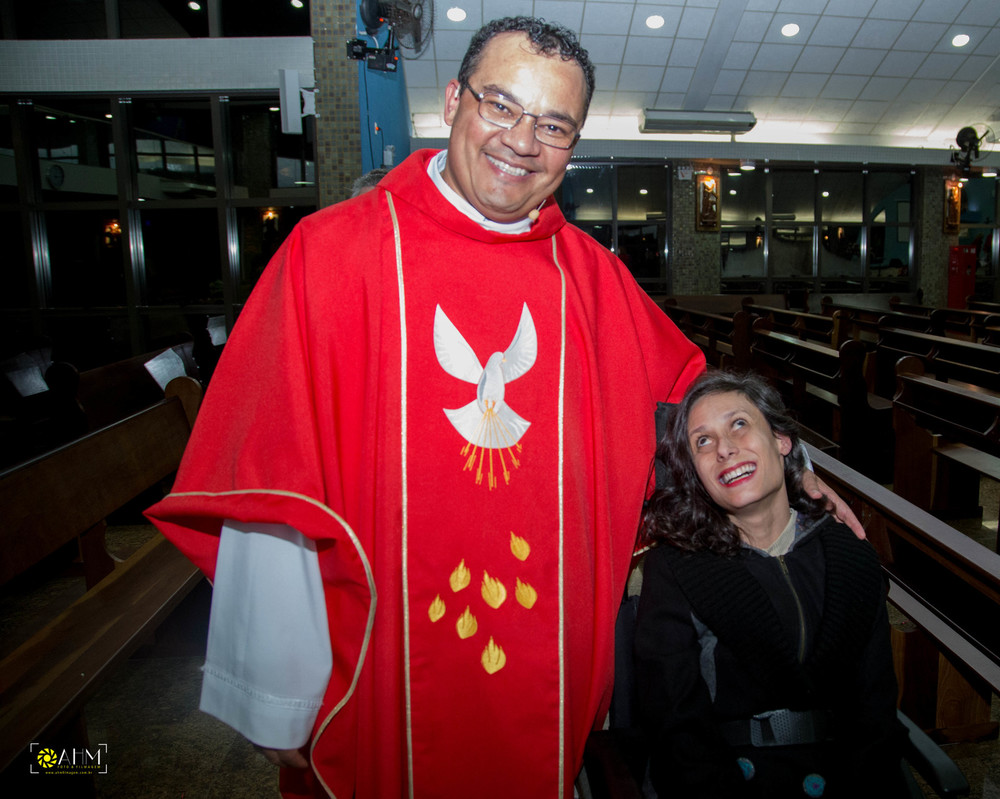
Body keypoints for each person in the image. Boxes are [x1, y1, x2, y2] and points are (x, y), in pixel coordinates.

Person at [147, 16, 860, 799]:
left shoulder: (590, 279)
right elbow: (272, 479)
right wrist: (274, 687)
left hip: (544, 669)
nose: (523, 141)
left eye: (554, 125)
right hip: (380, 667)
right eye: (502, 105)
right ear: (454, 101)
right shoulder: (334, 254)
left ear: (572, 145)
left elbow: (692, 398)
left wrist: (796, 474)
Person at [634, 370, 905, 798]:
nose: (724, 448)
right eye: (702, 441)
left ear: (782, 441)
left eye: (739, 424)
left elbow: (875, 709)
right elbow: (676, 725)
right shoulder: (676, 568)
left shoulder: (849, 554)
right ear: (695, 473)